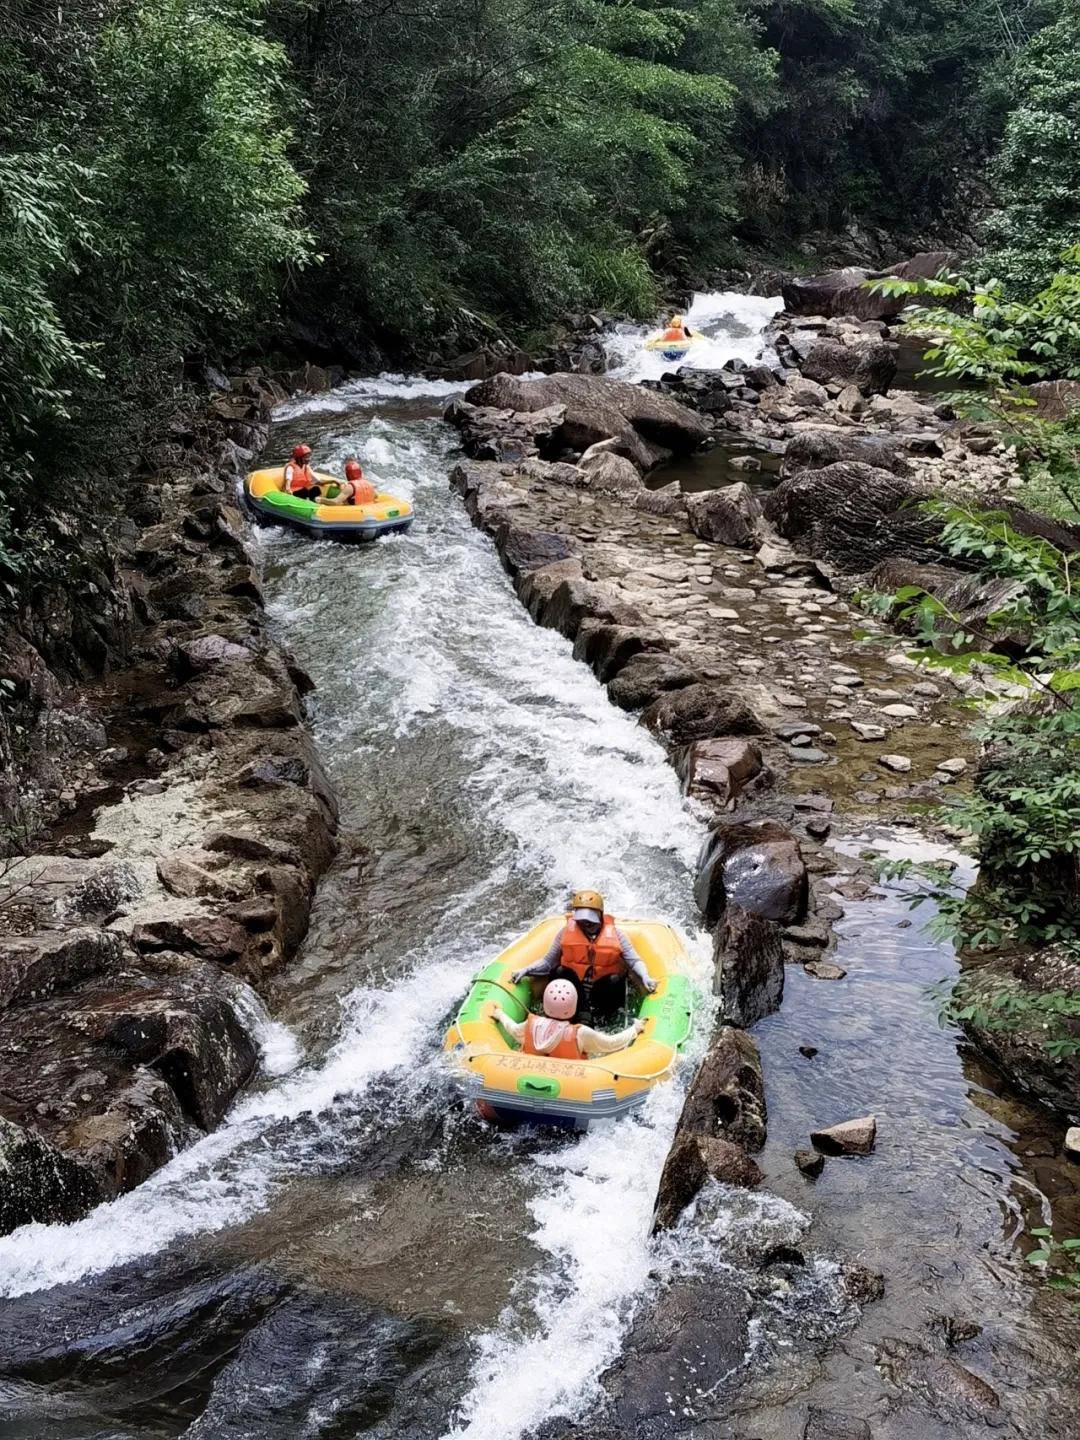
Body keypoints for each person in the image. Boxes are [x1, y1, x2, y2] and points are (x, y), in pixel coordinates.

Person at [510, 889, 657, 1022]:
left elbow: (634, 961)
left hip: (602, 993)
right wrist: (526, 970)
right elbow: (548, 962)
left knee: (615, 980)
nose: (587, 925)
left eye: (590, 921)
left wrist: (645, 976)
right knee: (559, 971)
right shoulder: (564, 933)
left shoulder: (618, 935)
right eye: (583, 921)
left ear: (600, 915)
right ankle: (578, 1014)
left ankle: (604, 1020)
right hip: (574, 993)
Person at [491, 979, 644, 1060]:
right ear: (573, 1007)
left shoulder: (531, 1025)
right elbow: (611, 1043)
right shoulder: (580, 1033)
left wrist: (500, 1014)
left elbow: (512, 1029)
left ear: (545, 1004)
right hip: (570, 1088)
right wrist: (634, 1029)